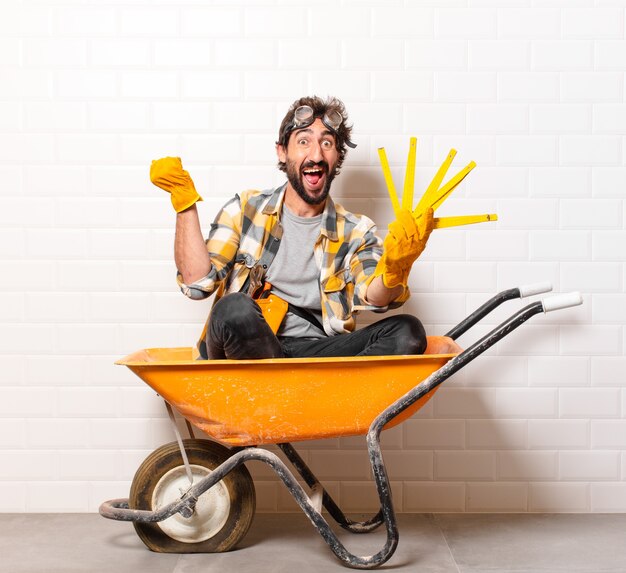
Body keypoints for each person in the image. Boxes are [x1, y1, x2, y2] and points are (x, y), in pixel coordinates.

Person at [150, 95, 461, 360]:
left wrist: (397, 267)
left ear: (337, 156)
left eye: (327, 143)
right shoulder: (245, 209)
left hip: (314, 356)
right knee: (234, 309)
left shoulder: (356, 231)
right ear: (282, 152)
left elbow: (375, 297)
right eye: (303, 141)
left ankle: (306, 396)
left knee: (406, 331)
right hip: (248, 347)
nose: (316, 154)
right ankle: (281, 394)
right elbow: (197, 284)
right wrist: (184, 204)